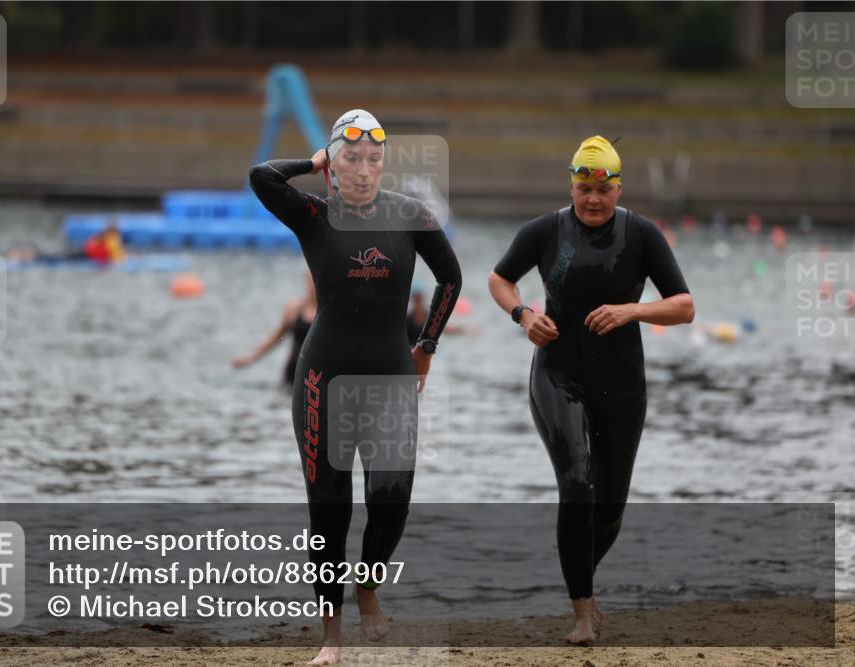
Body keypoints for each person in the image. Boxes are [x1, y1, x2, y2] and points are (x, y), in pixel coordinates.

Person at [250, 109, 461, 665]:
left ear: (383, 163)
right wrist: (312, 161)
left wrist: (427, 347)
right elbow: (262, 177)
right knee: (330, 510)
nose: (363, 169)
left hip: (391, 377)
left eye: (373, 159)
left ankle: (367, 584)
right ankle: (332, 635)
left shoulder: (409, 214)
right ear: (334, 165)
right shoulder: (314, 214)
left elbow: (451, 277)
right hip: (323, 379)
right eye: (350, 158)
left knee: (391, 501)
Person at [488, 136, 694, 645]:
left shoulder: (640, 234)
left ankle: (579, 579)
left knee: (610, 510)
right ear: (572, 187)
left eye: (603, 190)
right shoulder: (544, 231)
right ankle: (582, 610)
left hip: (622, 385)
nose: (594, 200)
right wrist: (523, 315)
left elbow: (684, 306)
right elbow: (498, 280)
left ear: (618, 189)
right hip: (557, 375)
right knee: (577, 483)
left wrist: (632, 310)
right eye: (584, 189)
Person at [232, 273, 316, 386]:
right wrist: (250, 359)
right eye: (310, 280)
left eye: (315, 280)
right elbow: (277, 337)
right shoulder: (295, 308)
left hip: (318, 374)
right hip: (293, 371)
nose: (312, 285)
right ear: (305, 282)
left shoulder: (328, 311)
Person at [7, 222, 126, 266]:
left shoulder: (103, 238)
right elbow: (114, 255)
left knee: (59, 255)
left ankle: (27, 255)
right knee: (58, 258)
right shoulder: (111, 239)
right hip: (84, 256)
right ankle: (28, 256)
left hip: (83, 253)